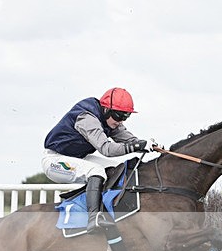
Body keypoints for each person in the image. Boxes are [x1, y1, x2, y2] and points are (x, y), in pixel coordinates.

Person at [42, 87, 156, 233]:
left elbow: (131, 141)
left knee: (118, 168)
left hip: (79, 157)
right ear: (106, 109)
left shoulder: (111, 120)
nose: (120, 121)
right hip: (55, 160)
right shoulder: (86, 118)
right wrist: (136, 146)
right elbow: (106, 149)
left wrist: (149, 145)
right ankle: (94, 218)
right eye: (118, 116)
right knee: (96, 171)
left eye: (125, 117)